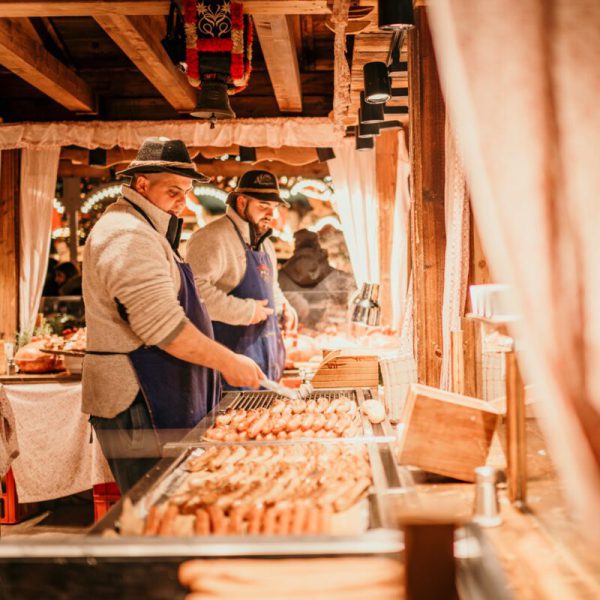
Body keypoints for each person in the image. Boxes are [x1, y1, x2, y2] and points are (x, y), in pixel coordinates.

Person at [82, 137, 264, 493]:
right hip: (137, 399)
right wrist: (228, 361)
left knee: (172, 498)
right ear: (141, 184)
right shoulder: (127, 235)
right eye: (173, 191)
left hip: (159, 391)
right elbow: (163, 327)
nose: (183, 201)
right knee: (152, 504)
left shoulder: (148, 228)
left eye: (186, 191)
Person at [186, 170, 296, 390]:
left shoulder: (265, 242)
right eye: (263, 206)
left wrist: (283, 303)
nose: (270, 214)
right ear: (241, 202)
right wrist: (245, 311)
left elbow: (271, 285)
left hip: (265, 367)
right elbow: (195, 293)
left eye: (273, 208)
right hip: (229, 370)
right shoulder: (211, 238)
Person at [278, 229, 356, 330]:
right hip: (329, 331)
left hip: (294, 331)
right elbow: (350, 293)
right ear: (317, 244)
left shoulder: (280, 277)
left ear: (296, 246)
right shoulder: (336, 276)